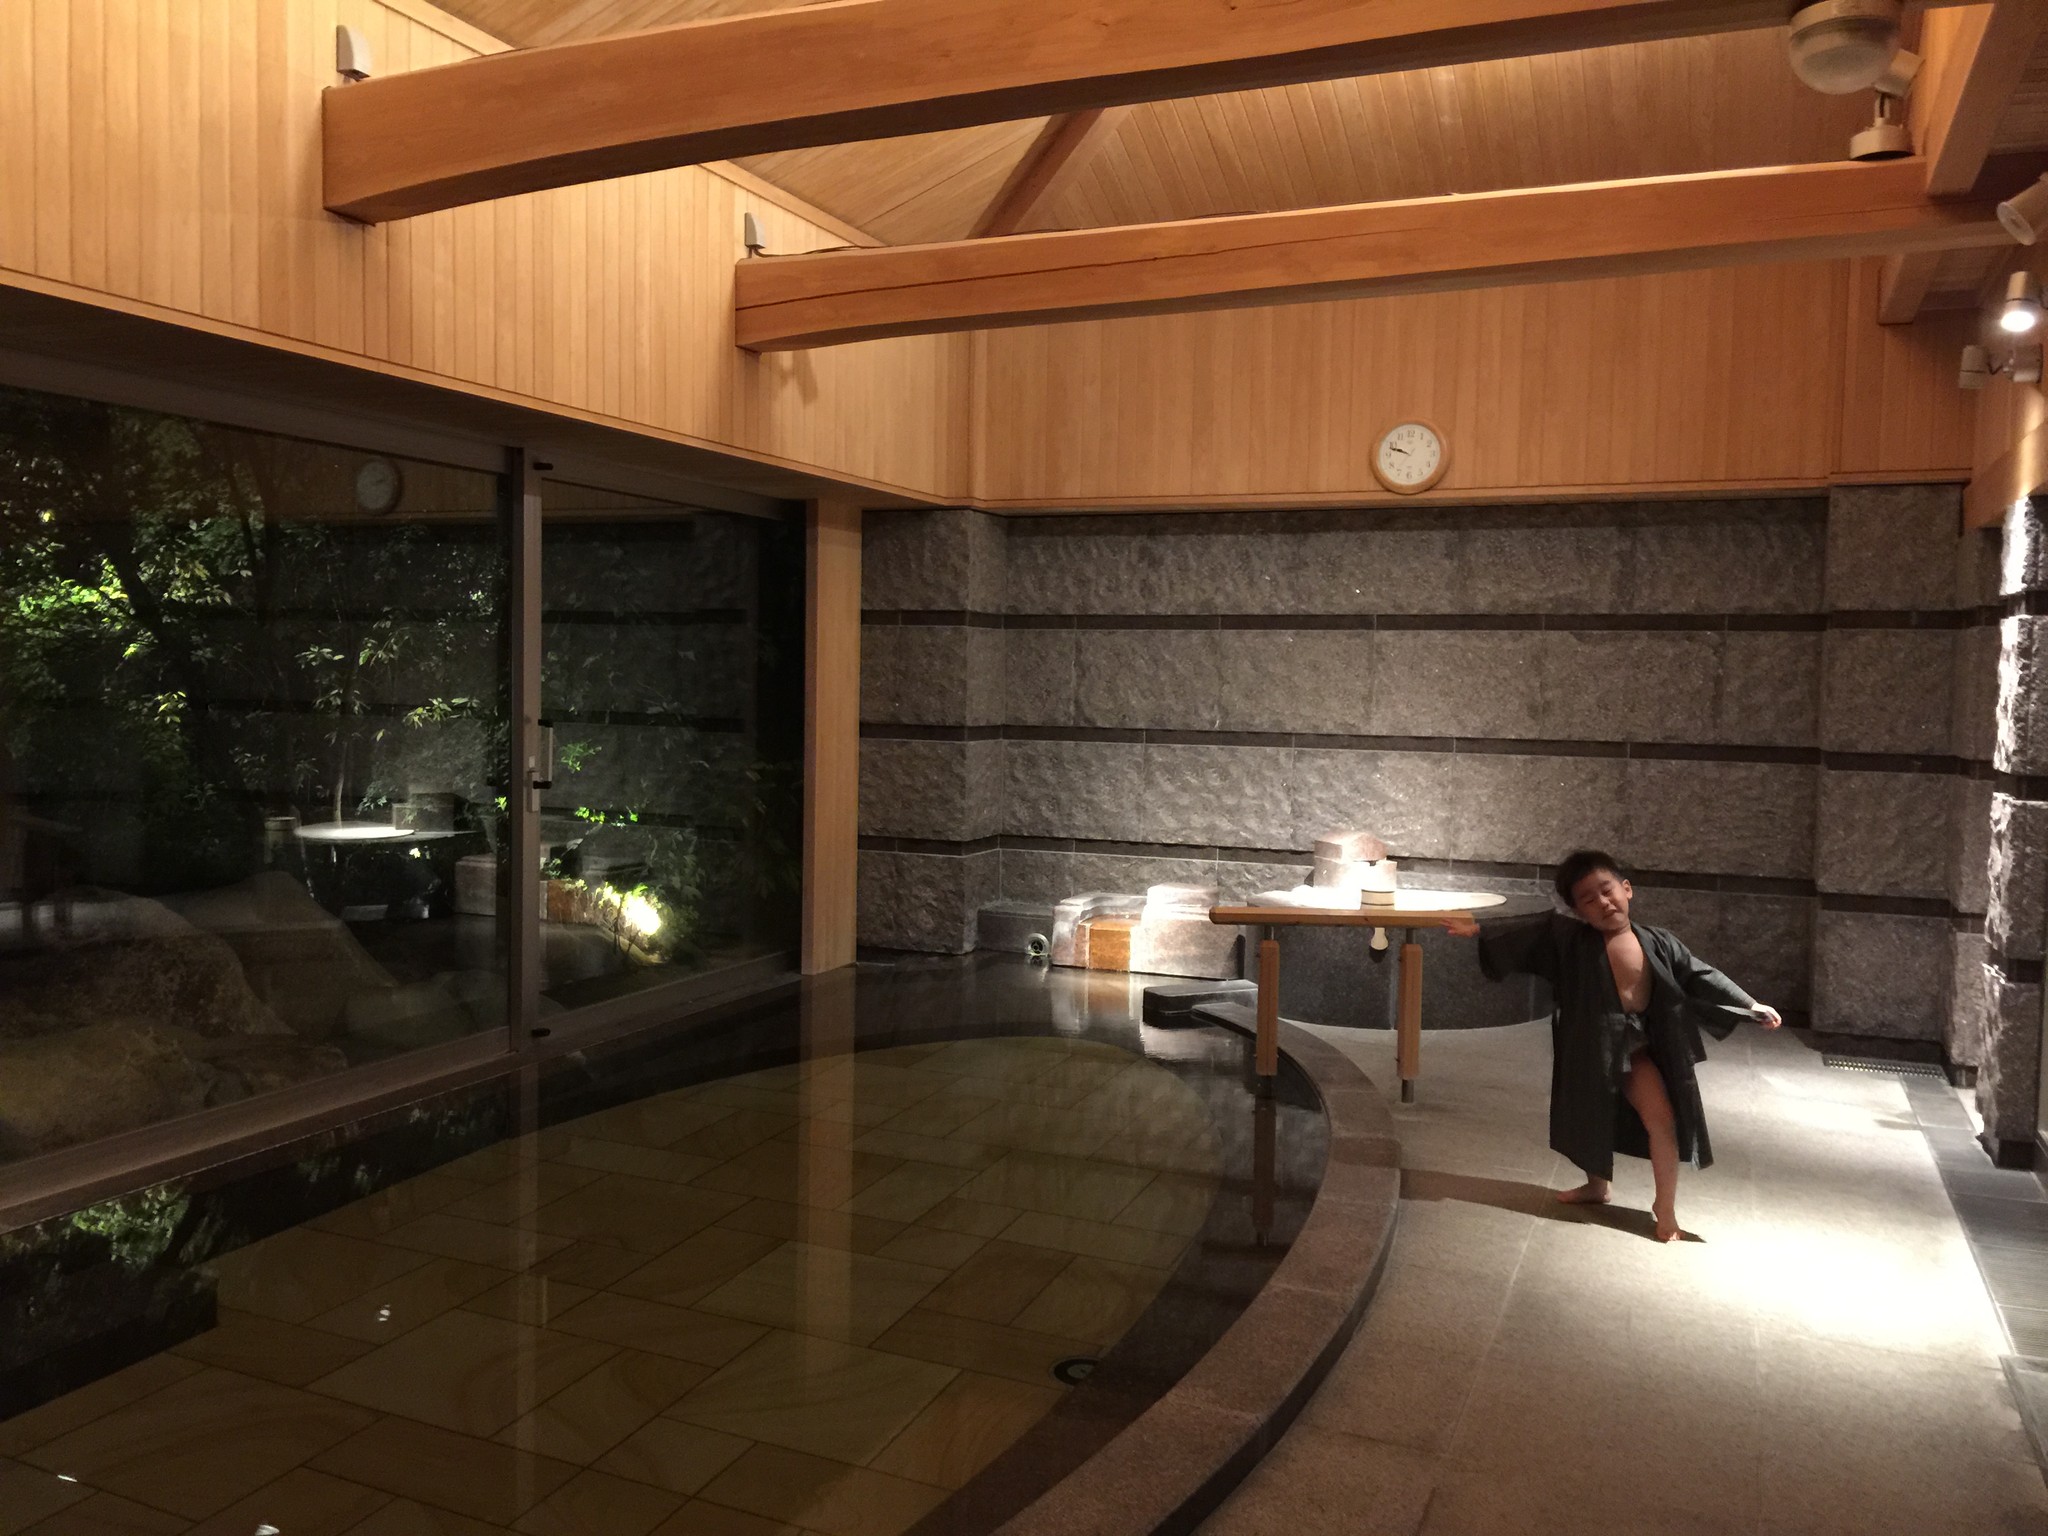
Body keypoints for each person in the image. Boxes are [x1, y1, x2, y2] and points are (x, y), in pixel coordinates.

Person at [1443, 850, 1781, 1243]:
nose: (1603, 903)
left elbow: (1701, 974)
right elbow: (1529, 934)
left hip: (1639, 1045)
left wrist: (1750, 1004)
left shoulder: (1659, 942)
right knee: (1589, 1116)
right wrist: (1479, 930)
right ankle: (1596, 1186)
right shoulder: (1571, 940)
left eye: (1607, 891)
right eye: (1588, 899)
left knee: (1662, 1119)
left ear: (1626, 889)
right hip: (1591, 1043)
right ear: (1578, 911)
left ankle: (1665, 1207)